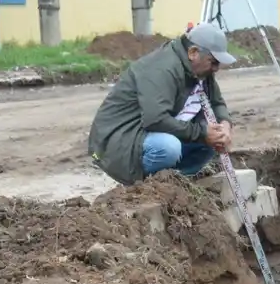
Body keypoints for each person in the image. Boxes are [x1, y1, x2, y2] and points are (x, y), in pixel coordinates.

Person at [87, 22, 237, 186]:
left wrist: (225, 125)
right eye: (213, 62)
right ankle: (145, 188)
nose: (216, 69)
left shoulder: (198, 69)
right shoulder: (162, 69)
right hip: (119, 140)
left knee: (209, 143)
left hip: (148, 133)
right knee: (168, 148)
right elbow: (155, 119)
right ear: (193, 52)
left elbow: (216, 102)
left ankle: (175, 185)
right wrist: (202, 132)